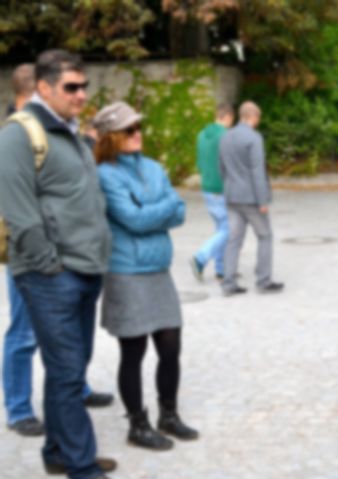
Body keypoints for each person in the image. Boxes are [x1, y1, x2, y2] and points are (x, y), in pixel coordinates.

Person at [0, 50, 116, 479]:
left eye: (84, 86)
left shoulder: (70, 132)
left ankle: (57, 451)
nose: (81, 94)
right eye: (72, 87)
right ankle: (81, 467)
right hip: (52, 275)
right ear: (44, 88)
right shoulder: (19, 134)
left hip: (85, 270)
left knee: (71, 366)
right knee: (67, 372)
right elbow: (19, 210)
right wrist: (51, 266)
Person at [92, 101, 198, 451]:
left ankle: (168, 414)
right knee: (133, 351)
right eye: (128, 129)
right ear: (111, 136)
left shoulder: (153, 167)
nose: (137, 134)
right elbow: (132, 219)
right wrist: (161, 209)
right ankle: (137, 424)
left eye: (138, 127)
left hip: (157, 270)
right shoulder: (105, 174)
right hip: (126, 272)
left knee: (171, 346)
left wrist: (152, 211)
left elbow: (179, 211)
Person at [218, 101, 283, 296]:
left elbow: (221, 168)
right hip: (251, 198)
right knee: (265, 236)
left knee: (234, 240)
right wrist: (262, 201)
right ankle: (263, 280)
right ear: (253, 116)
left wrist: (228, 188)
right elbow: (257, 171)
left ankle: (228, 282)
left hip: (232, 196)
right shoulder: (253, 138)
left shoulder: (225, 137)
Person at [190, 103, 235, 281]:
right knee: (229, 229)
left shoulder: (201, 135)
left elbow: (200, 162)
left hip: (207, 187)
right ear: (228, 117)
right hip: (221, 188)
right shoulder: (226, 136)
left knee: (220, 228)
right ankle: (200, 257)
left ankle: (221, 269)